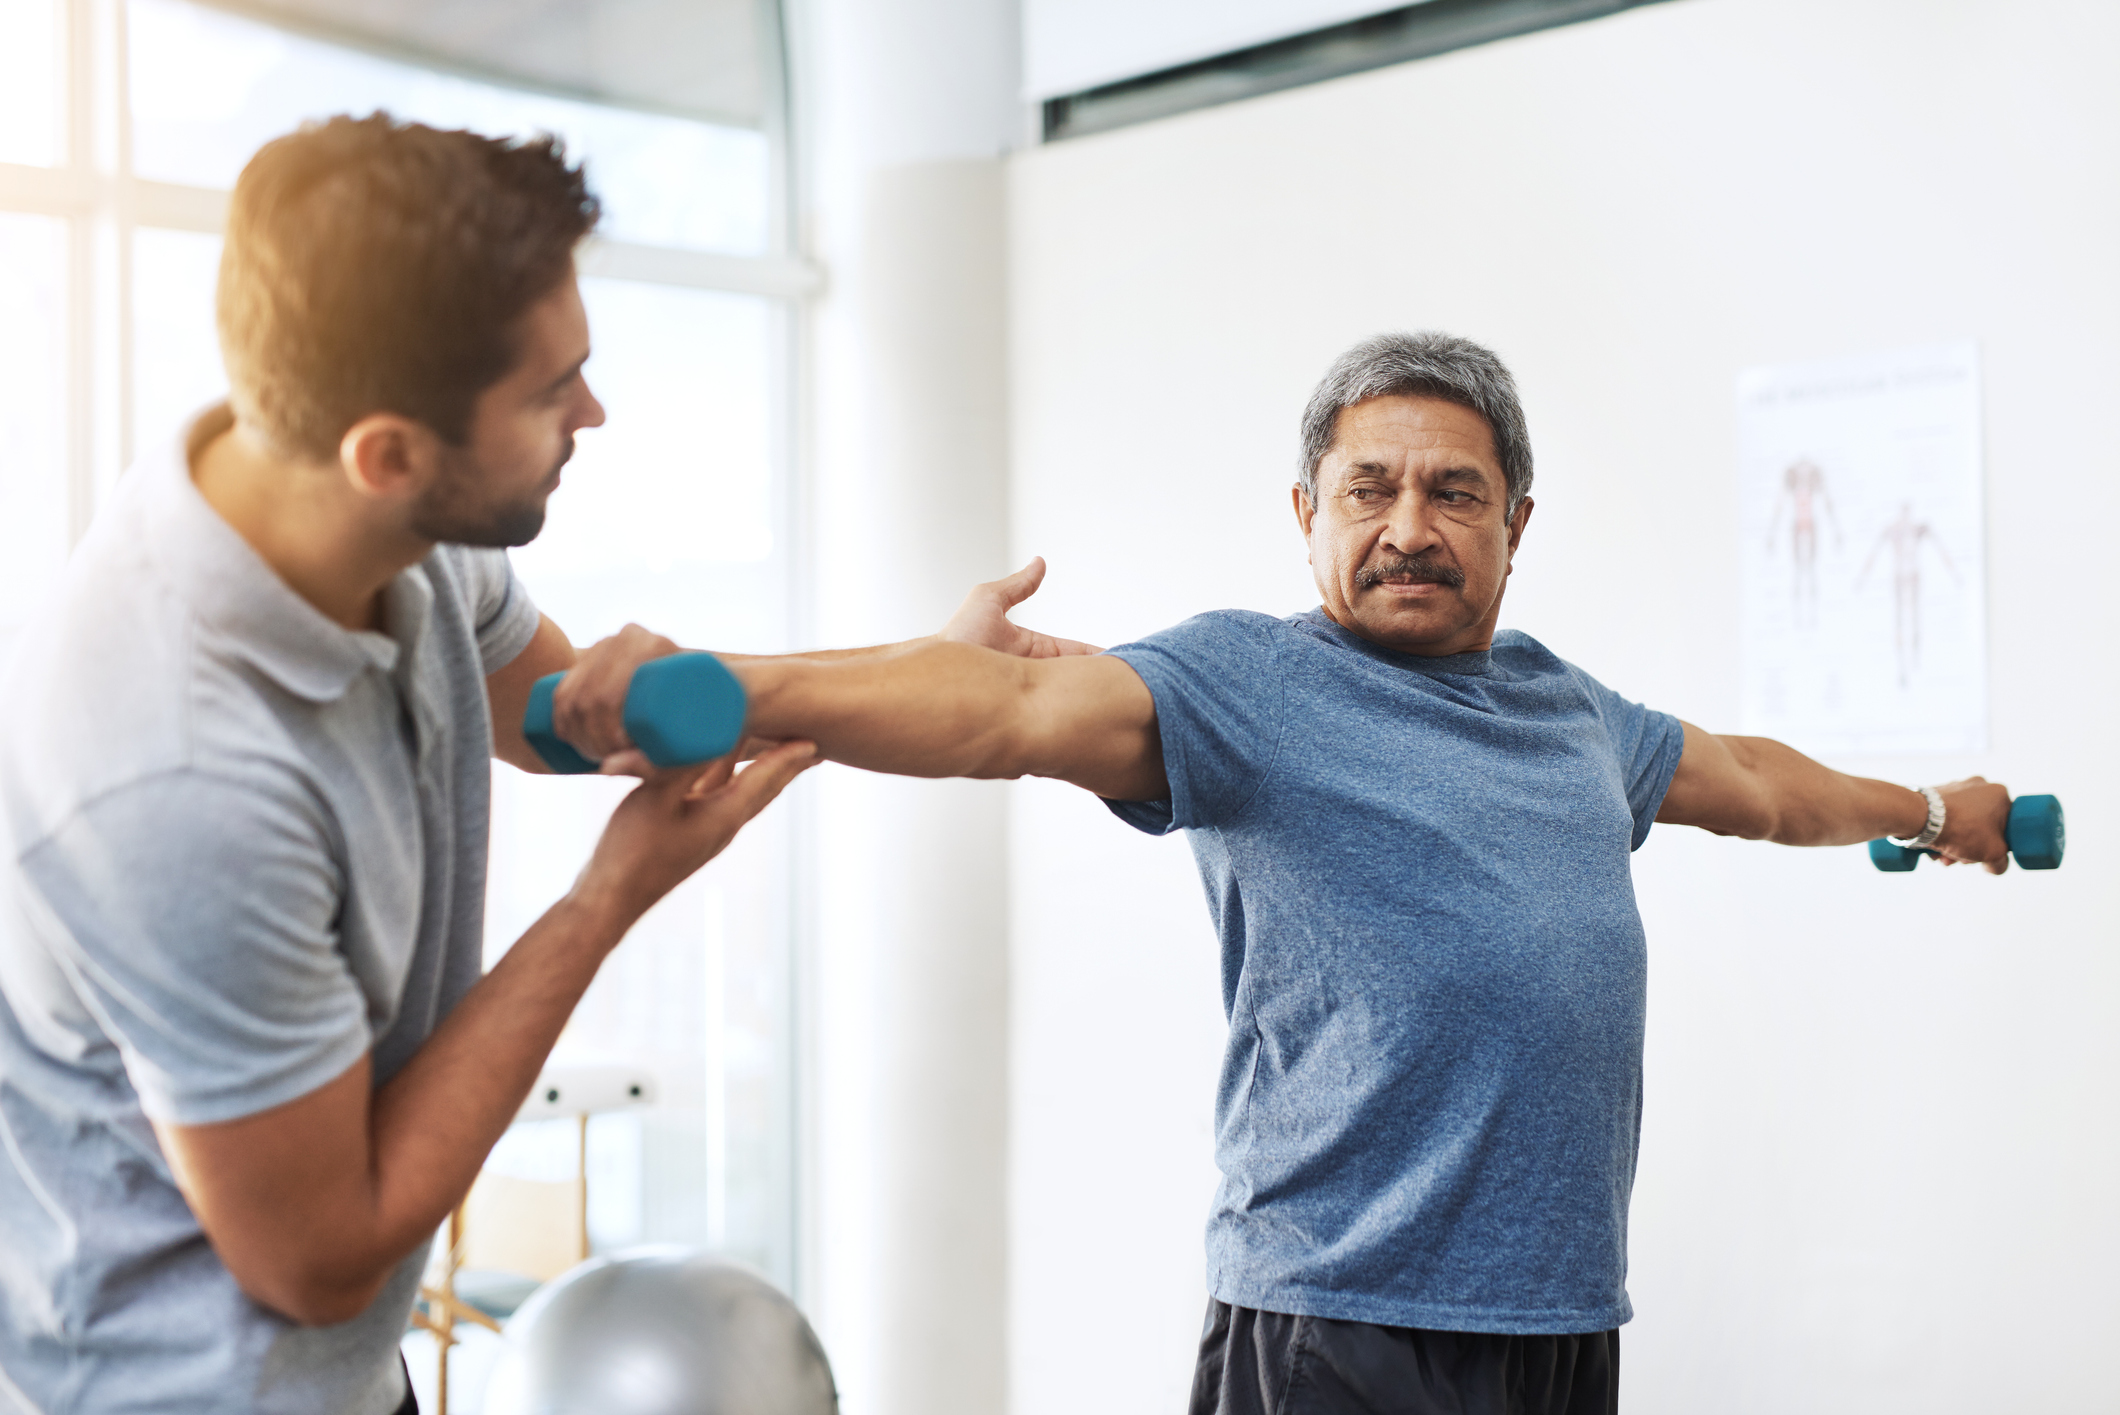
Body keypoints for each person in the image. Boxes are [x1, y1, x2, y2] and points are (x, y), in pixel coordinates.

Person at [570, 333, 2021, 1415]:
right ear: (1305, 513)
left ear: (1516, 525)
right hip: (1339, 1323)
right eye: (1367, 489)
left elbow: (1761, 783)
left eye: (1455, 493)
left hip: (1563, 1317)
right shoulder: (1246, 683)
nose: (1407, 527)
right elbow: (1004, 717)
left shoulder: (1571, 712)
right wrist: (715, 686)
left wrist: (1939, 806)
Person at [0, 115, 1051, 1415]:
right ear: (386, 454)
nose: (594, 411)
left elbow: (557, 715)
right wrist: (608, 897)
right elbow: (323, 1258)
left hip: (341, 1375)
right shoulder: (169, 777)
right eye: (554, 390)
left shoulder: (385, 522)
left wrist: (913, 669)